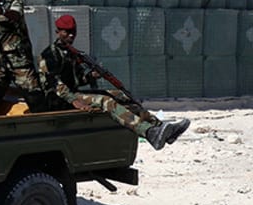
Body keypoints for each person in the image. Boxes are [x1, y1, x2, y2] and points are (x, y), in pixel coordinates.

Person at [39, 14, 190, 150]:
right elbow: (54, 83)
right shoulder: (49, 55)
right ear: (57, 32)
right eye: (66, 32)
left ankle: (161, 128)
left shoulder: (71, 53)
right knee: (106, 101)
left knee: (120, 95)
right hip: (58, 99)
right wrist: (74, 101)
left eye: (73, 32)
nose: (71, 35)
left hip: (73, 94)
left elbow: (77, 80)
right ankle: (149, 132)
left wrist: (92, 76)